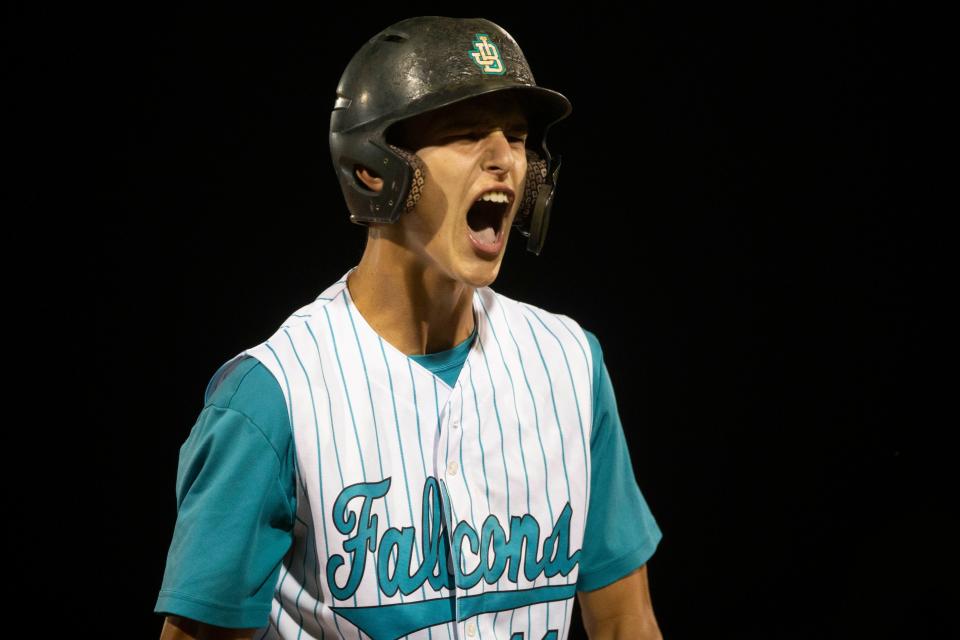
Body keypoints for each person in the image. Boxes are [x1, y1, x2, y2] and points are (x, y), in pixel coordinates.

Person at [156, 16, 663, 640]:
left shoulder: (570, 365)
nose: (505, 159)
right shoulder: (272, 398)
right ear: (374, 170)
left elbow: (625, 625)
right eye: (465, 133)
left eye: (518, 135)